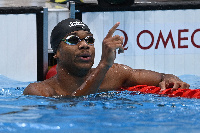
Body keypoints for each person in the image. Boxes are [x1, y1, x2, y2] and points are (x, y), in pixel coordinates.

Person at [23, 18, 190, 97]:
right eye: (73, 40)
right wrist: (104, 64)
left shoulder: (115, 74)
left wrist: (171, 80)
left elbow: (162, 77)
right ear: (57, 52)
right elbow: (74, 104)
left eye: (89, 39)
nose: (84, 45)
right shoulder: (39, 91)